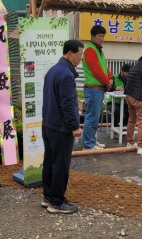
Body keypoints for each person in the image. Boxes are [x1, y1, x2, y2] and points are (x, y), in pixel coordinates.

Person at [41, 39, 84, 214]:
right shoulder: (66, 74)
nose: (81, 58)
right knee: (60, 165)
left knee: (50, 162)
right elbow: (67, 104)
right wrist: (75, 126)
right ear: (70, 53)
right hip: (60, 127)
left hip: (49, 125)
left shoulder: (53, 70)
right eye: (80, 54)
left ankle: (48, 196)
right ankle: (56, 202)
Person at [82, 25, 113, 150]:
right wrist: (107, 82)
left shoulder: (98, 50)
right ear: (92, 36)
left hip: (97, 88)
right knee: (92, 117)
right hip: (93, 88)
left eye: (103, 36)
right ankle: (88, 145)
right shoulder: (90, 50)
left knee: (94, 117)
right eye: (99, 36)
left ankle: (92, 141)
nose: (102, 38)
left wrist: (110, 78)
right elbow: (96, 70)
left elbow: (104, 67)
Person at [106, 63, 132, 128]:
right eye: (127, 73)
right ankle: (115, 128)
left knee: (131, 111)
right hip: (113, 102)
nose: (128, 75)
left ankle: (124, 126)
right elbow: (107, 89)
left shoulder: (131, 80)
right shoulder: (114, 78)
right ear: (122, 71)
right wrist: (115, 88)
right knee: (117, 111)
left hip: (125, 102)